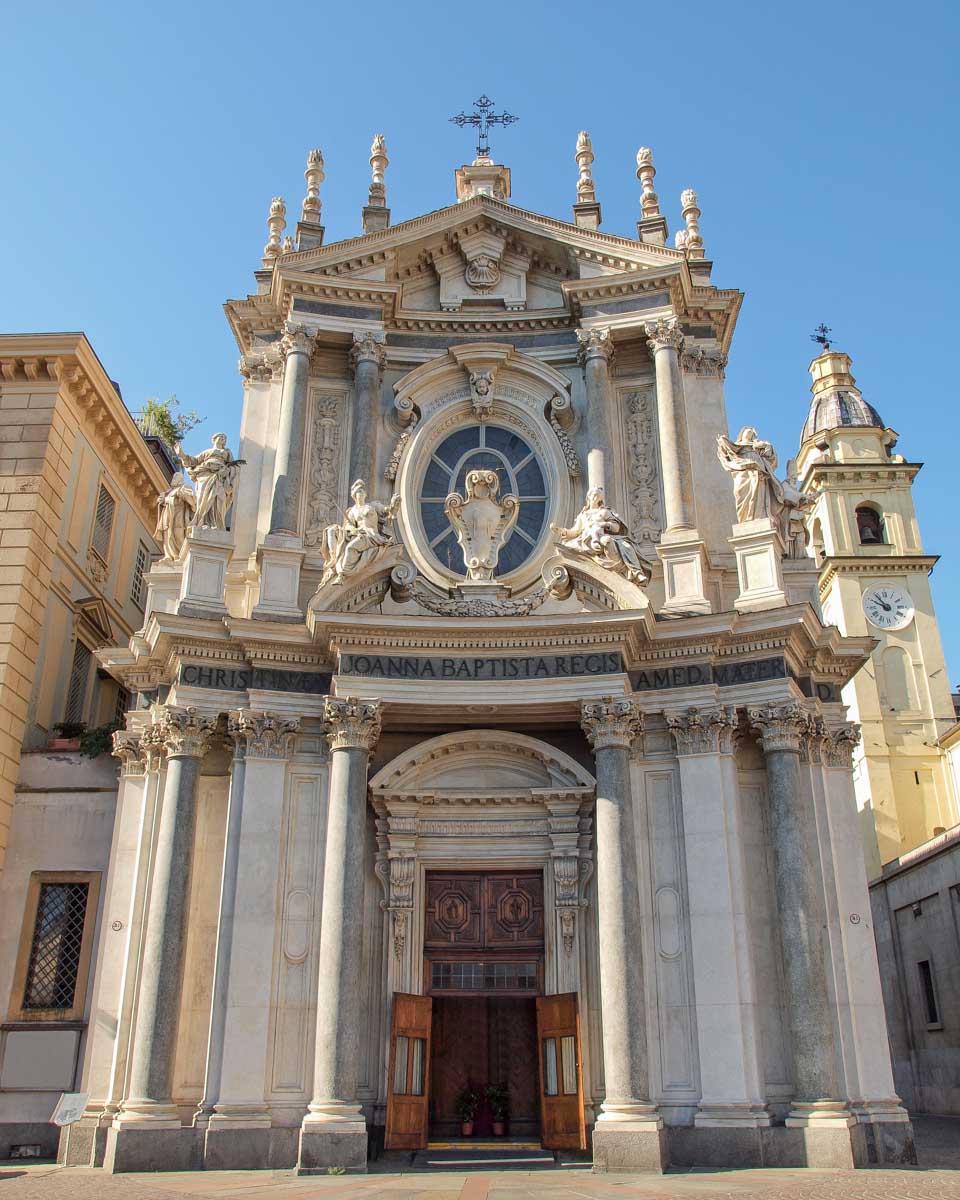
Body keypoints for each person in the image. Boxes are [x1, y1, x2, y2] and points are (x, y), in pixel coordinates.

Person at [552, 486, 650, 586]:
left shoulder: (604, 512)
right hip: (585, 540)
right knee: (565, 549)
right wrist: (561, 531)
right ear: (588, 497)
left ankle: (635, 573)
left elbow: (616, 528)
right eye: (594, 495)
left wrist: (604, 524)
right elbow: (575, 531)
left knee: (618, 544)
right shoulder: (583, 515)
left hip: (601, 536)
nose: (596, 498)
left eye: (598, 496)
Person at [319, 479, 400, 585]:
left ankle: (342, 574)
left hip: (372, 536)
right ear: (354, 495)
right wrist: (355, 530)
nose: (361, 493)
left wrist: (393, 505)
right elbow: (349, 526)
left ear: (365, 494)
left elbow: (387, 510)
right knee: (347, 546)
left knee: (350, 548)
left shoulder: (372, 506)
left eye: (362, 491)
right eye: (358, 491)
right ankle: (341, 574)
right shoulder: (352, 511)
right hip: (361, 535)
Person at [716, 426, 785, 524]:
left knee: (758, 493)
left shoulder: (756, 447)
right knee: (739, 493)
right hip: (743, 471)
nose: (749, 433)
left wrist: (766, 445)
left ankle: (757, 517)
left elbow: (771, 456)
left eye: (751, 433)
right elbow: (727, 448)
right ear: (742, 433)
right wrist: (722, 441)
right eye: (747, 431)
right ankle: (743, 519)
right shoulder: (737, 446)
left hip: (758, 473)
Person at [174, 433, 242, 530]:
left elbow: (233, 466)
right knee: (203, 498)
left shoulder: (227, 452)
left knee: (218, 498)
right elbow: (194, 460)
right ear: (214, 439)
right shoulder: (207, 452)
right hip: (205, 475)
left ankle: (215, 524)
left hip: (218, 477)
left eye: (225, 438)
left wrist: (227, 471)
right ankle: (204, 522)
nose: (223, 439)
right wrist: (182, 455)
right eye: (221, 437)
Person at [153, 472, 196, 561]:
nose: (173, 479)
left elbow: (191, 501)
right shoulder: (169, 491)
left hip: (178, 516)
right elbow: (167, 500)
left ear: (180, 480)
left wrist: (180, 495)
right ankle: (169, 556)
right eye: (174, 477)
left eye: (176, 477)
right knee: (167, 534)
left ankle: (180, 555)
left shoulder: (184, 488)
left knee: (178, 534)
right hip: (168, 515)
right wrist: (162, 500)